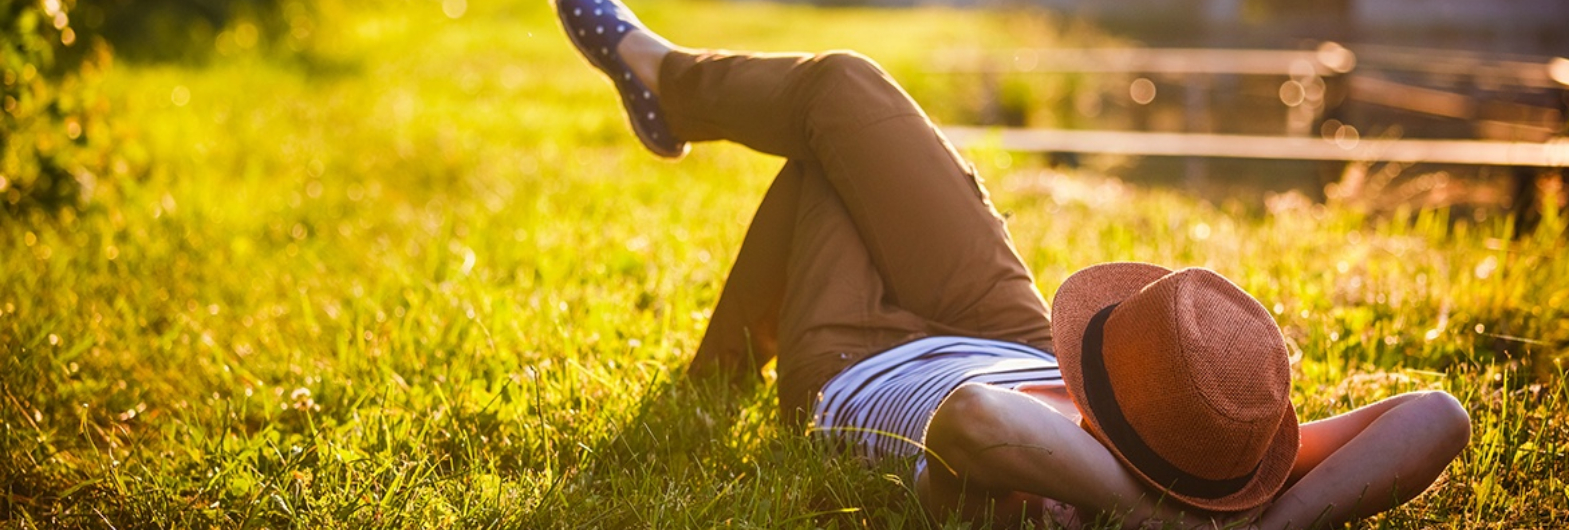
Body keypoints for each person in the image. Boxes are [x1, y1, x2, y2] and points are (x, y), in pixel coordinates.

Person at [553, 1, 1473, 527]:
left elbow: (974, 418)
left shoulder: (1050, 502)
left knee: (824, 139)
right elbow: (1437, 414)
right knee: (842, 90)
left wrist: (1147, 518)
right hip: (1016, 334)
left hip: (858, 364)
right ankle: (670, 94)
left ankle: (663, 82)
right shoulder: (1225, 467)